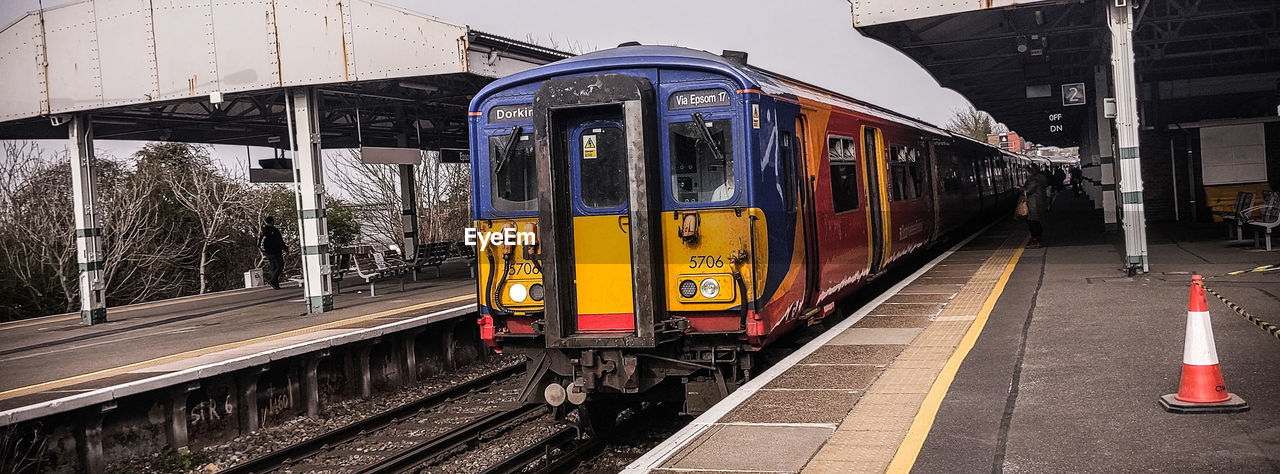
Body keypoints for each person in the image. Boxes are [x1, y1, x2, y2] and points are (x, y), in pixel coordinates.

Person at [1022, 168, 1050, 248]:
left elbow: (1027, 191)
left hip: (1033, 204)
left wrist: (1021, 188)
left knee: (1032, 222)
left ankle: (1036, 240)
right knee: (1036, 221)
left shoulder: (1034, 180)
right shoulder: (1041, 178)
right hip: (1039, 202)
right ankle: (1037, 239)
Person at [258, 216, 287, 289]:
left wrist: (263, 251)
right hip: (275, 252)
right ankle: (272, 280)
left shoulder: (264, 231)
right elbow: (280, 241)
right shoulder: (274, 230)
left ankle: (276, 285)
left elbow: (260, 242)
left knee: (273, 267)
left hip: (268, 253)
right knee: (280, 266)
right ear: (272, 221)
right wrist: (285, 248)